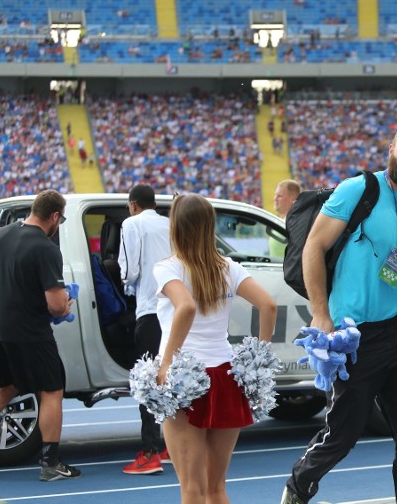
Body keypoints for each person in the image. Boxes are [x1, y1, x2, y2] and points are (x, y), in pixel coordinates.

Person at [280, 120, 397, 504]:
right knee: (343, 435)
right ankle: (299, 485)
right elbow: (313, 246)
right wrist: (320, 313)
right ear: (391, 148)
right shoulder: (359, 190)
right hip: (354, 334)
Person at [155, 193, 277, 504]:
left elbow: (185, 308)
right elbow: (268, 305)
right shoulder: (229, 267)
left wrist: (167, 362)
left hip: (185, 382)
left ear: (176, 227)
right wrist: (258, 363)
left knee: (192, 490)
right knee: (216, 488)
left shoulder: (168, 267)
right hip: (225, 376)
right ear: (210, 226)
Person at [0, 190, 80, 481]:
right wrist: (67, 303)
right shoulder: (45, 248)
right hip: (27, 329)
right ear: (55, 216)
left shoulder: (2, 235)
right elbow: (56, 305)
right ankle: (50, 463)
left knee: (5, 387)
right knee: (51, 391)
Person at [118, 185, 172, 475]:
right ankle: (170, 446)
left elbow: (130, 272)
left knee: (148, 383)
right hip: (174, 311)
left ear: (134, 205)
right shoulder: (170, 224)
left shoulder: (131, 224)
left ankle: (150, 451)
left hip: (149, 310)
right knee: (172, 379)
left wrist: (125, 285)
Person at [268, 179, 301, 259]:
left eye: (279, 196)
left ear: (293, 199)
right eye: (275, 195)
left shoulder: (295, 224)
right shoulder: (281, 222)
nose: (275, 198)